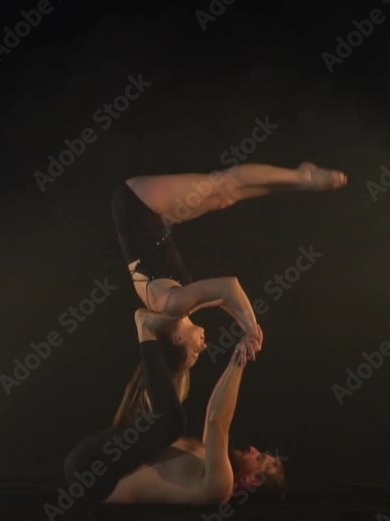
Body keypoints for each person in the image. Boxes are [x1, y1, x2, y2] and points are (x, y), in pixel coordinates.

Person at [110, 161, 347, 424]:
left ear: (176, 340)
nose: (203, 346)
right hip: (153, 219)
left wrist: (251, 329)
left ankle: (304, 176)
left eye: (195, 352)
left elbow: (229, 286)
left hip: (138, 205)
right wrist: (244, 323)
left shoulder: (172, 304)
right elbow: (222, 298)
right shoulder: (174, 308)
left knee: (224, 184)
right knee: (225, 196)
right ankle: (298, 182)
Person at [63, 308, 286, 506]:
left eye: (258, 459)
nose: (254, 449)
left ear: (252, 481)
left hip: (93, 479)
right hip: (93, 462)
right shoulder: (210, 462)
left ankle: (146, 329)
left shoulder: (220, 488)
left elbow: (217, 422)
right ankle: (165, 315)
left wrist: (241, 359)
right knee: (170, 406)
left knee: (172, 424)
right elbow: (212, 417)